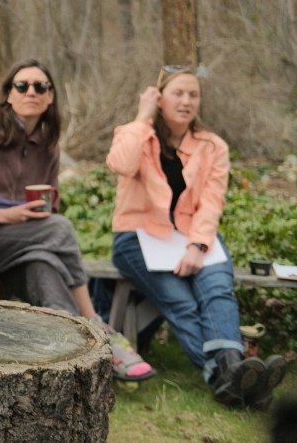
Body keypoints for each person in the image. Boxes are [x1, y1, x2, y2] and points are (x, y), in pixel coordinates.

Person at [0, 58, 154, 381]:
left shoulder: (48, 146)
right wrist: (3, 214)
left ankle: (79, 360)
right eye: (21, 86)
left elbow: (51, 209)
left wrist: (44, 211)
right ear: (8, 94)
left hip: (28, 247)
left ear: (50, 97)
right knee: (59, 229)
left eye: (40, 87)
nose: (30, 92)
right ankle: (96, 323)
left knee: (44, 265)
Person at [106, 65, 287, 407]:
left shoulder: (212, 146)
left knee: (218, 291)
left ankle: (230, 377)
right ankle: (242, 381)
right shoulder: (136, 135)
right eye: (178, 93)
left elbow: (212, 202)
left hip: (194, 237)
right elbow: (121, 164)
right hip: (138, 238)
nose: (187, 101)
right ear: (160, 98)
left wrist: (197, 245)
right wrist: (143, 116)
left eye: (193, 94)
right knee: (182, 302)